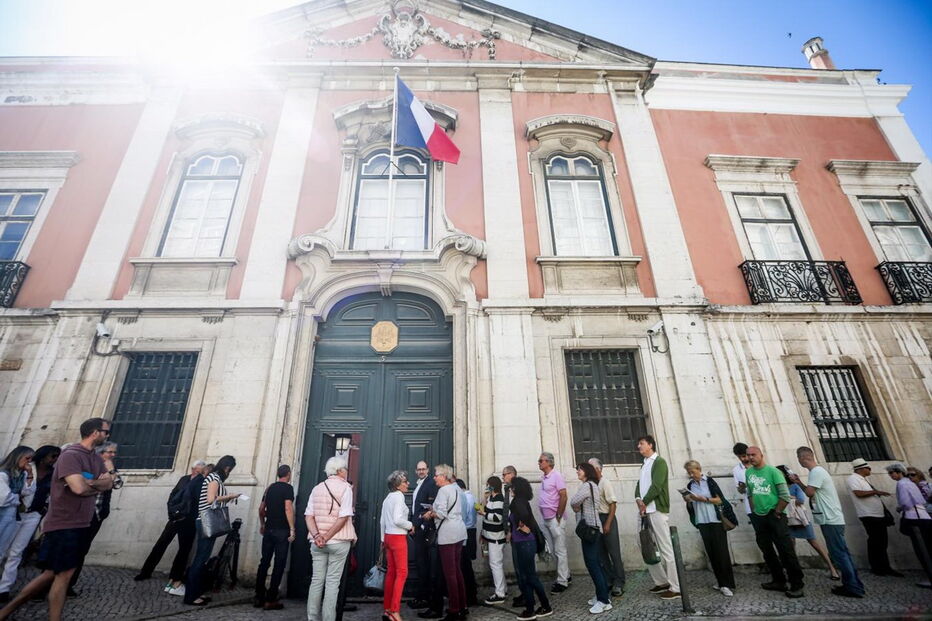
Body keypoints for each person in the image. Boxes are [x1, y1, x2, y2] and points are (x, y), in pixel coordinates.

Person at [0, 418, 113, 621]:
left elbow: (109, 483)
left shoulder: (96, 459)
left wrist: (90, 483)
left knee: (55, 574)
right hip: (64, 523)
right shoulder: (70, 455)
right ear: (95, 432)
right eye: (106, 432)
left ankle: (6, 611)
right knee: (62, 574)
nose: (108, 435)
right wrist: (94, 484)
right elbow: (78, 488)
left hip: (83, 523)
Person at [789, 448, 864, 598]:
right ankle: (853, 584)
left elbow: (809, 493)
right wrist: (798, 482)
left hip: (830, 519)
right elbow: (811, 491)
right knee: (842, 552)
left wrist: (799, 483)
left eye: (798, 458)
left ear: (802, 458)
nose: (798, 461)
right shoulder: (817, 472)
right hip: (830, 518)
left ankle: (853, 587)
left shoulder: (816, 472)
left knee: (839, 554)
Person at [135, 460, 207, 593]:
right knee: (161, 544)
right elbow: (173, 495)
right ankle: (146, 571)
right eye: (196, 470)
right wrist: (171, 512)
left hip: (188, 520)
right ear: (192, 469)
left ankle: (175, 577)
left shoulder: (202, 482)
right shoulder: (184, 479)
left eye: (200, 471)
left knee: (183, 550)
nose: (197, 473)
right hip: (175, 517)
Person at [0, 445, 59, 602]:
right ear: (43, 456)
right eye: (53, 456)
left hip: (33, 515)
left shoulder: (52, 474)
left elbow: (32, 492)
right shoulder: (21, 469)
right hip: (15, 514)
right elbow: (9, 496)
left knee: (17, 552)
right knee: (3, 549)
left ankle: (4, 588)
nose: (55, 460)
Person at [745, 446, 804, 598]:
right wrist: (754, 511)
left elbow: (784, 495)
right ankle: (778, 580)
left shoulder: (774, 472)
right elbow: (750, 493)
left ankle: (797, 584)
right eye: (748, 455)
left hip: (775, 514)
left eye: (753, 454)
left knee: (785, 550)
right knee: (767, 551)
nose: (750, 457)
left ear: (761, 455)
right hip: (759, 516)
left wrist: (777, 511)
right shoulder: (749, 472)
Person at [184, 455, 240, 606]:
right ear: (227, 467)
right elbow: (211, 499)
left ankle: (196, 592)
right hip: (206, 521)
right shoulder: (214, 478)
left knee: (203, 557)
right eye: (230, 470)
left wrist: (227, 498)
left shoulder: (213, 477)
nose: (229, 473)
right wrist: (230, 496)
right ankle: (190, 596)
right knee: (200, 558)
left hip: (206, 521)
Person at [306, 456, 356, 621]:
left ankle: (312, 618)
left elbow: (308, 516)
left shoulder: (317, 488)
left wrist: (317, 536)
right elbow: (343, 517)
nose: (346, 472)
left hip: (317, 542)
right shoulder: (346, 488)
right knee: (332, 583)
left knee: (316, 581)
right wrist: (327, 536)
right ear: (340, 471)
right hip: (338, 541)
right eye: (345, 469)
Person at [70, 441, 122, 592]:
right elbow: (86, 483)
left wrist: (110, 471)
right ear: (101, 452)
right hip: (79, 512)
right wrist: (102, 482)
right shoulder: (88, 464)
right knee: (69, 547)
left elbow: (117, 484)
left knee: (82, 549)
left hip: (97, 513)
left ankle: (70, 584)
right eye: (110, 452)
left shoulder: (111, 468)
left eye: (114, 452)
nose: (113, 455)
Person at [682, 460, 737, 597]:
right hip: (702, 521)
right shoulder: (690, 485)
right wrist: (688, 499)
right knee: (711, 553)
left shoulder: (710, 482)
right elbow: (691, 504)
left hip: (715, 520)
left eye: (693, 472)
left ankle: (726, 584)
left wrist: (704, 499)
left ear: (699, 469)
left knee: (721, 552)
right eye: (689, 473)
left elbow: (719, 500)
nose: (691, 475)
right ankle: (721, 582)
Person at [775, 465, 839, 582]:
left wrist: (786, 497)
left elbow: (801, 500)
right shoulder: (777, 487)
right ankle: (793, 571)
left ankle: (832, 568)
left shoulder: (794, 486)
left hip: (799, 518)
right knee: (790, 546)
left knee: (814, 542)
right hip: (787, 519)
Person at [634, 435, 679, 600]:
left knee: (665, 547)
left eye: (641, 443)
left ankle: (676, 587)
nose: (638, 446)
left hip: (656, 509)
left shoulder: (659, 462)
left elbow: (657, 486)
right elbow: (639, 484)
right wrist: (638, 499)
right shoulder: (644, 463)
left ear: (650, 445)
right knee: (644, 543)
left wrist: (644, 502)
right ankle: (662, 581)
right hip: (645, 510)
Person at [422, 464, 466, 621]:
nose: (434, 477)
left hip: (448, 535)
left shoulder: (443, 491)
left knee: (450, 574)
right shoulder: (457, 489)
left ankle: (454, 610)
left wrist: (429, 514)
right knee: (457, 571)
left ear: (444, 476)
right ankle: (462, 606)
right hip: (459, 531)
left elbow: (441, 513)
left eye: (436, 475)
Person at [846, 458, 902, 577]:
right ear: (861, 469)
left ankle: (884, 566)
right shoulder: (853, 478)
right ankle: (877, 567)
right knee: (875, 541)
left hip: (877, 514)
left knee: (882, 541)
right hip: (869, 514)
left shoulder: (863, 479)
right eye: (868, 468)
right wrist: (876, 492)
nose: (870, 470)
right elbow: (858, 493)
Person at [571, 462, 612, 615]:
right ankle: (602, 595)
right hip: (593, 529)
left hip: (590, 530)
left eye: (580, 470)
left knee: (593, 565)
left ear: (587, 472)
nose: (577, 472)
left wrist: (576, 506)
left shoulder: (586, 486)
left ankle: (603, 601)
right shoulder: (592, 485)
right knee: (596, 564)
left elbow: (573, 501)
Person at [509, 476, 552, 621]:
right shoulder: (521, 501)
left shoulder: (518, 501)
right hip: (524, 542)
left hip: (524, 543)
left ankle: (543, 606)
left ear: (516, 488)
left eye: (512, 486)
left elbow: (525, 516)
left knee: (530, 577)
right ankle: (531, 607)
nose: (510, 489)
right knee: (527, 576)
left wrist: (523, 528)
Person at [254, 464, 295, 611]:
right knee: (279, 563)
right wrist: (292, 528)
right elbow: (288, 508)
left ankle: (258, 596)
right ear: (288, 474)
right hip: (282, 530)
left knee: (264, 562)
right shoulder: (288, 488)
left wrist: (262, 524)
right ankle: (271, 598)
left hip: (269, 529)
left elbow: (261, 509)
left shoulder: (269, 488)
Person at [885, 462, 932, 588]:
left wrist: (900, 508)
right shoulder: (910, 483)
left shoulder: (901, 484)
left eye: (891, 473)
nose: (891, 475)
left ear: (899, 472)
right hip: (923, 516)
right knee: (927, 547)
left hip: (914, 517)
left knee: (921, 549)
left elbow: (905, 503)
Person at [588, 457, 625, 597]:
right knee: (601, 554)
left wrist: (608, 523)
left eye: (591, 467)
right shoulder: (590, 484)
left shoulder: (605, 483)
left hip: (607, 518)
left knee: (614, 553)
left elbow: (613, 504)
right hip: (596, 520)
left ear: (598, 469)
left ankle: (619, 582)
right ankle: (609, 579)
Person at [380, 470, 413, 621]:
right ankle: (394, 611)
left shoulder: (388, 497)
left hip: (388, 537)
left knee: (391, 573)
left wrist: (383, 539)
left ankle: (387, 609)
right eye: (405, 481)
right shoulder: (399, 496)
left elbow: (382, 521)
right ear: (398, 485)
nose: (408, 483)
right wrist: (410, 525)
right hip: (398, 537)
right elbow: (398, 519)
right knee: (402, 573)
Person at [537, 452, 570, 593]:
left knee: (560, 550)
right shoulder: (544, 477)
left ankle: (562, 581)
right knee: (552, 549)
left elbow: (563, 495)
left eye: (541, 460)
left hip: (555, 519)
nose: (539, 463)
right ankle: (566, 575)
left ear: (549, 462)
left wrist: (558, 516)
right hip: (546, 519)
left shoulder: (556, 476)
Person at [409, 460, 437, 613]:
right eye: (419, 469)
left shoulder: (430, 484)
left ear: (428, 470)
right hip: (417, 528)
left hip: (425, 529)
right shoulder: (420, 484)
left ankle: (424, 597)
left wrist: (419, 525)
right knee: (421, 563)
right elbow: (416, 508)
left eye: (423, 469)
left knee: (424, 563)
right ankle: (421, 596)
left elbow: (430, 508)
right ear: (416, 471)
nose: (421, 471)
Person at [0, 447, 35, 561]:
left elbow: (27, 491)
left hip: (11, 515)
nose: (29, 461)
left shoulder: (22, 474)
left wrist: (30, 474)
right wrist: (18, 497)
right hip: (2, 512)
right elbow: (4, 498)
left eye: (31, 459)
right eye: (27, 458)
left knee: (2, 547)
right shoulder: (3, 474)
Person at [479, 475, 506, 605]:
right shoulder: (492, 498)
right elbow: (485, 509)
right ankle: (503, 589)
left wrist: (484, 514)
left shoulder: (499, 498)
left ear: (492, 486)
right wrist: (484, 499)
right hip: (490, 536)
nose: (487, 487)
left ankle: (500, 594)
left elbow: (497, 518)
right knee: (496, 564)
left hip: (496, 537)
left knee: (495, 564)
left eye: (488, 485)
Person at [456, 479, 478, 607]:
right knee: (466, 565)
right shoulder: (472, 497)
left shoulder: (465, 498)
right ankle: (470, 593)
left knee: (465, 566)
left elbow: (464, 518)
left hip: (466, 532)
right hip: (471, 531)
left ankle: (470, 595)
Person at [732, 443, 752, 519]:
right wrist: (742, 487)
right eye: (739, 457)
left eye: (744, 456)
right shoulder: (736, 470)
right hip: (750, 507)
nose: (742, 459)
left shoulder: (757, 464)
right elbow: (740, 491)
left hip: (766, 504)